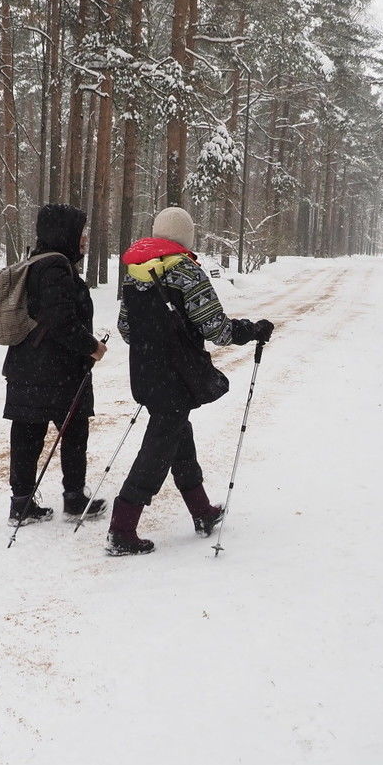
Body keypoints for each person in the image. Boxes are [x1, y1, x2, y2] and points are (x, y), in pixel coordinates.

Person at [106, 206, 273, 556]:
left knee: (178, 437)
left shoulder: (134, 273)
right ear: (185, 237)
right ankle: (122, 528)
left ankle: (201, 512)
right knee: (157, 450)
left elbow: (125, 329)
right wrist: (252, 330)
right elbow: (217, 329)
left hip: (145, 375)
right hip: (177, 377)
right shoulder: (187, 272)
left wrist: (154, 344)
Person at [3, 204, 109, 526]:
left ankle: (21, 504)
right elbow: (60, 320)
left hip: (27, 366)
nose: (85, 238)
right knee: (73, 432)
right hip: (56, 370)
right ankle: (74, 499)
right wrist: (92, 347)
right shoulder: (56, 268)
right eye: (81, 232)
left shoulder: (36, 263)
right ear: (66, 233)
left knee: (27, 435)